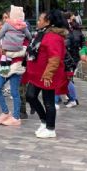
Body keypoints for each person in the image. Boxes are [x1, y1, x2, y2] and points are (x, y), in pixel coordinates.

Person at [24, 10, 69, 139]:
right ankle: (44, 121)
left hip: (47, 75)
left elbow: (55, 58)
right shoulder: (40, 34)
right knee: (30, 96)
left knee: (48, 102)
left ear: (48, 22)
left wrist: (48, 75)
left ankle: (50, 128)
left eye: (40, 19)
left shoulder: (53, 37)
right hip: (36, 74)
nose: (38, 22)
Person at [0, 6, 32, 73]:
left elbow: (23, 50)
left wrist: (7, 53)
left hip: (16, 64)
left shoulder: (20, 30)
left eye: (6, 17)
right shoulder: (4, 30)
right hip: (4, 62)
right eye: (3, 18)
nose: (4, 20)